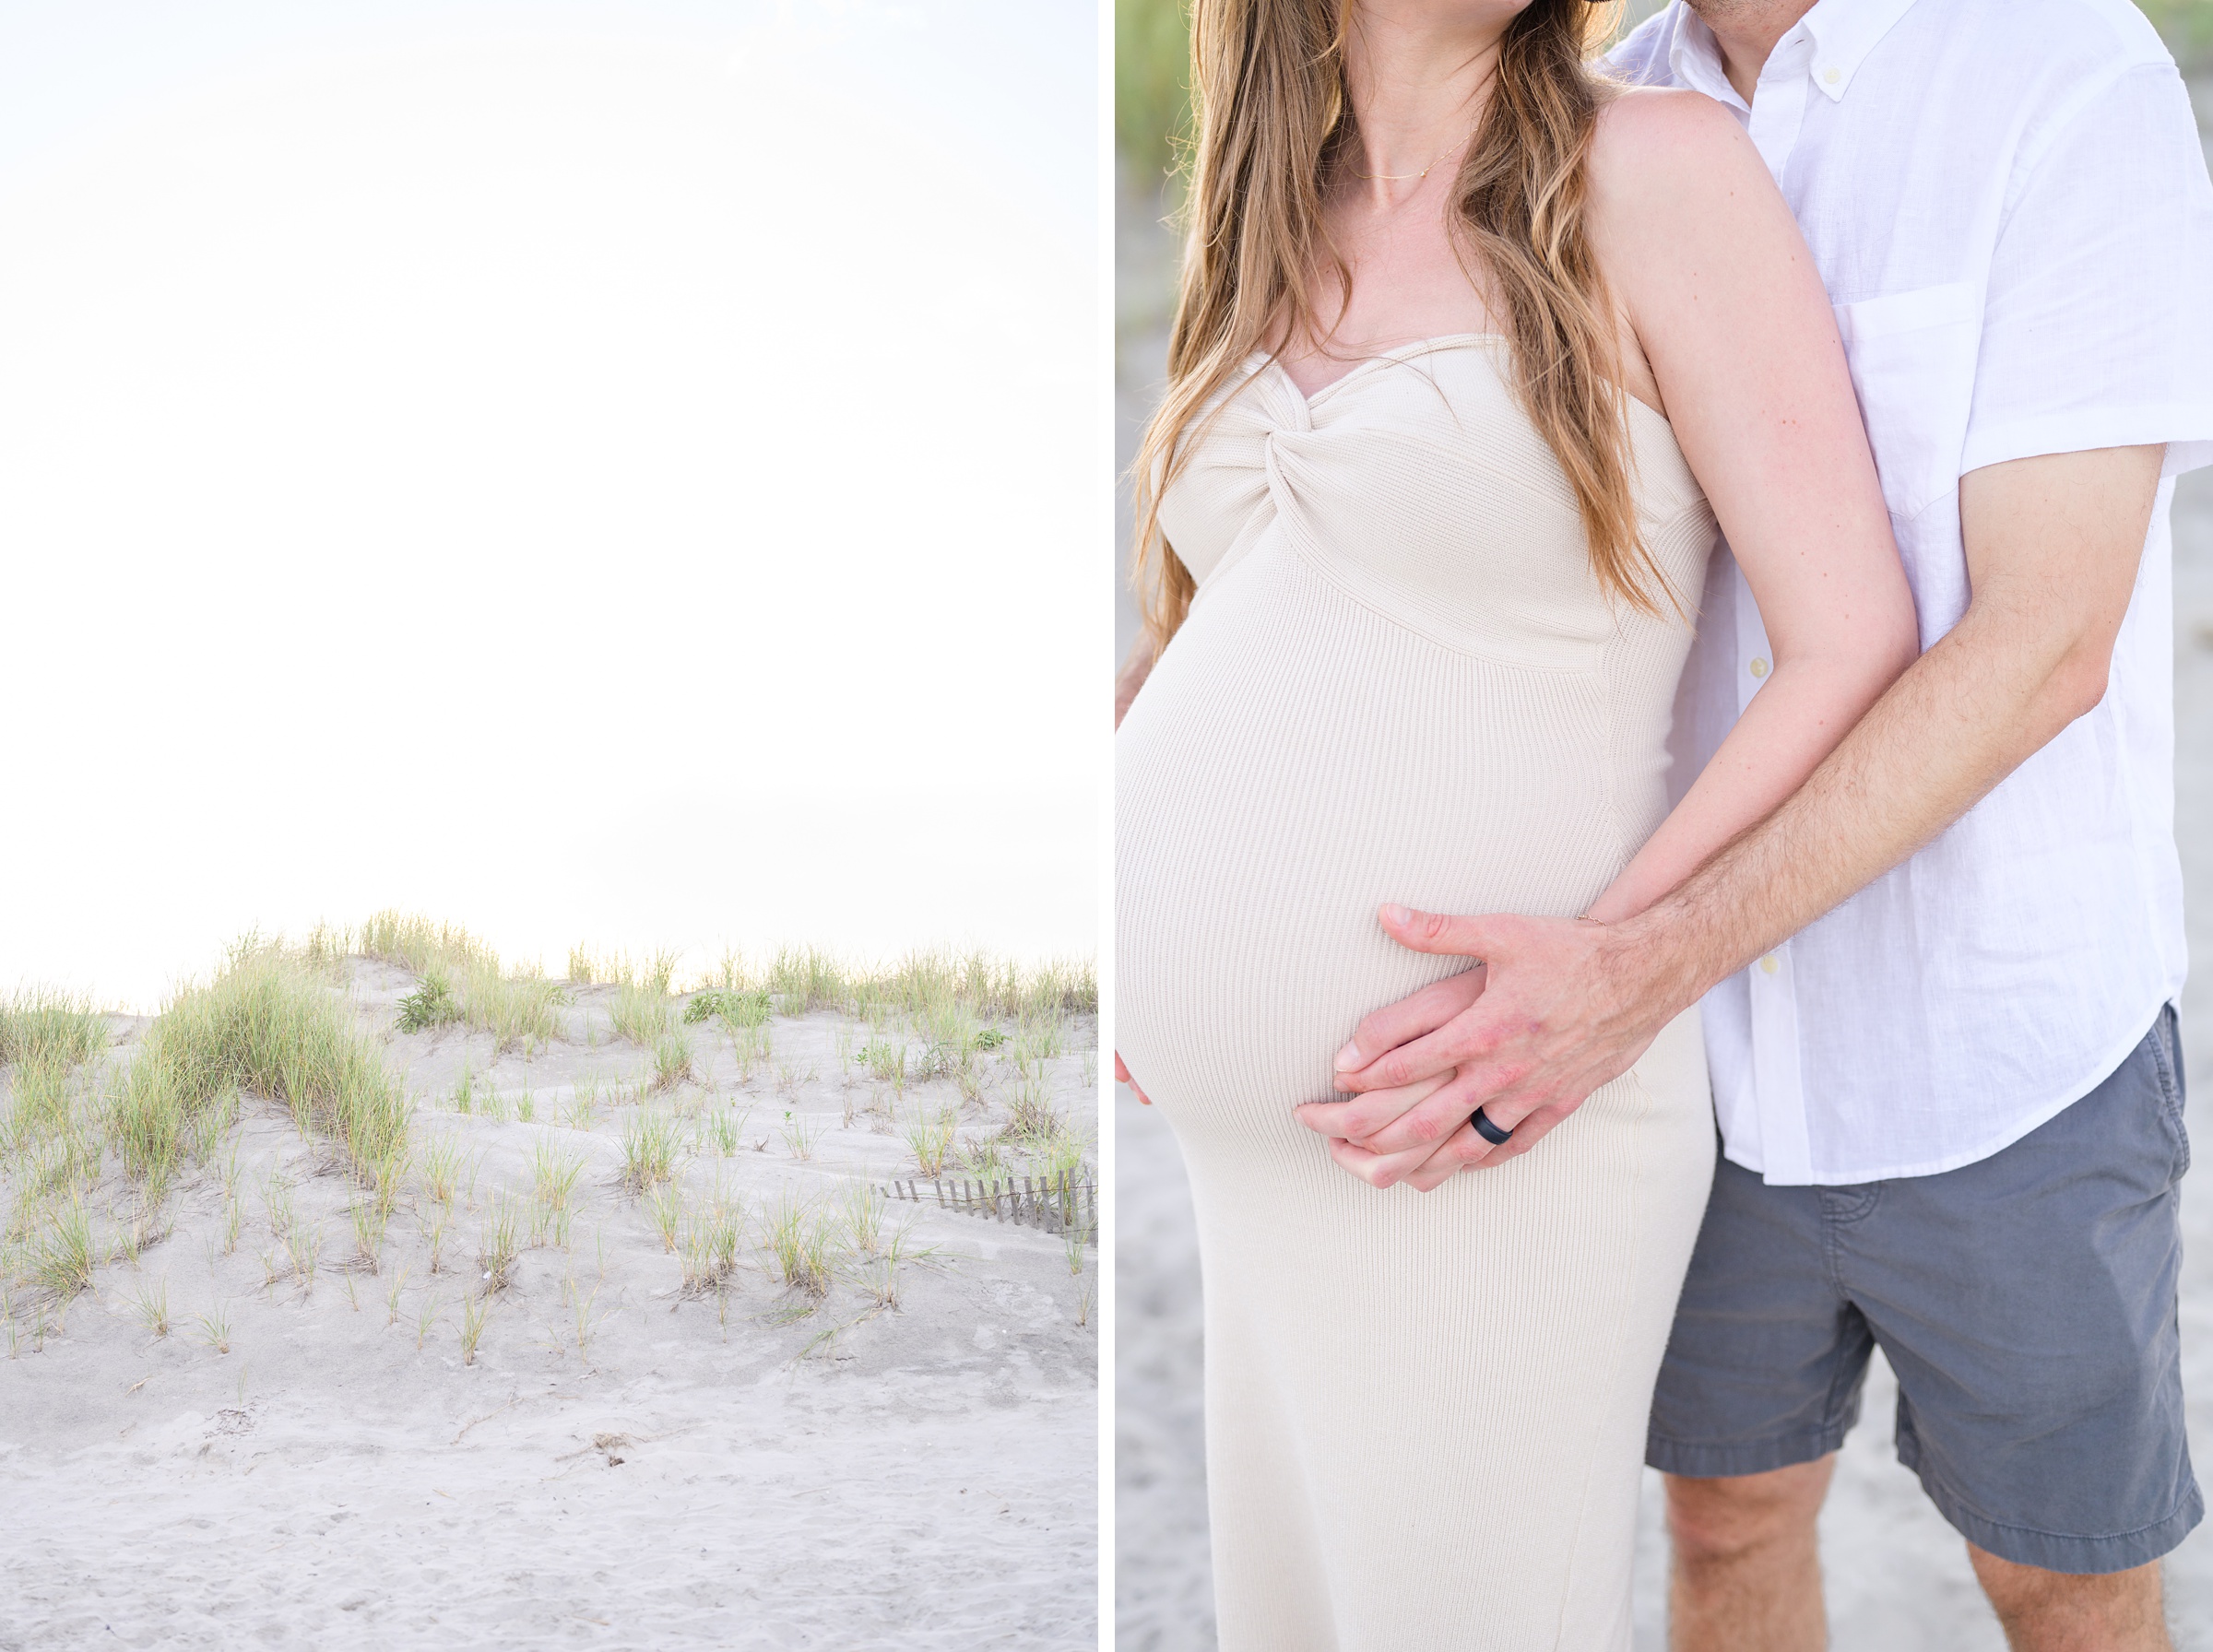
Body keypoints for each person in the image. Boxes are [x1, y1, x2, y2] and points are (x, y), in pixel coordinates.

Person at [1288, 1, 2213, 1646]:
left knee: (2066, 1585)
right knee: (1720, 1528)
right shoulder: (1586, 110)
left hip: (1996, 1045)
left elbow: (2045, 642)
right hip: (1688, 1071)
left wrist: (1641, 965)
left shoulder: (2064, 76)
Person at [1113, 0, 1921, 1643]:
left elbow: (1853, 635)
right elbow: (1224, 608)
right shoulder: (1264, 200)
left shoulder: (1659, 174)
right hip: (1251, 1157)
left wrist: (1615, 969)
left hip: (1495, 1116)